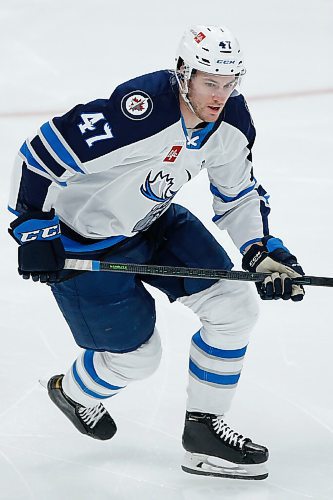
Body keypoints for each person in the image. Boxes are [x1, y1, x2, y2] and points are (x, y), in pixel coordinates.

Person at [8, 25, 304, 480]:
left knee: (234, 304)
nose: (220, 95)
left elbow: (239, 192)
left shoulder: (233, 121)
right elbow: (39, 155)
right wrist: (32, 226)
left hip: (154, 222)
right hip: (83, 244)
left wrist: (260, 249)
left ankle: (203, 436)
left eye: (230, 83)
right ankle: (74, 392)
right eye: (210, 82)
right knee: (138, 360)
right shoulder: (141, 112)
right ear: (184, 73)